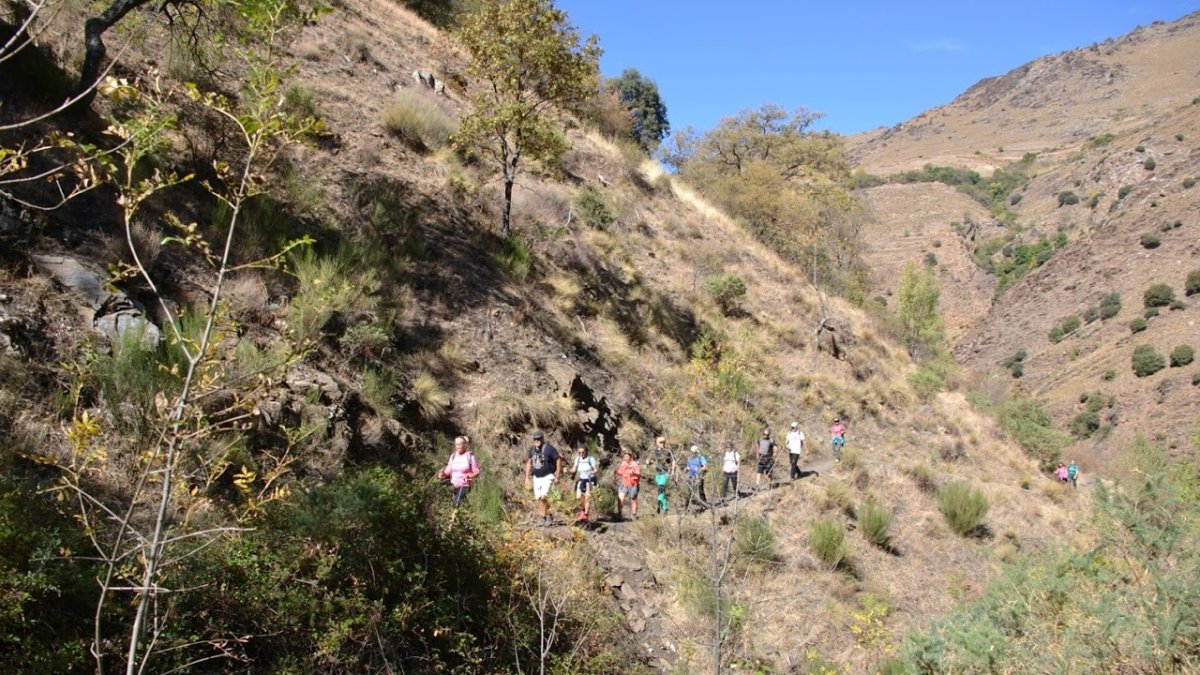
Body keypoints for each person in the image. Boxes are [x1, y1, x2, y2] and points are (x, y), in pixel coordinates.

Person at [524, 430, 562, 527]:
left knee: (544, 497)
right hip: (537, 477)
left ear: (542, 439)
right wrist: (527, 478)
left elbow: (558, 460)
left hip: (548, 476)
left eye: (539, 438)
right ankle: (547, 515)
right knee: (540, 498)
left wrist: (557, 475)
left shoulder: (548, 448)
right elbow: (529, 463)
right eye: (535, 439)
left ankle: (543, 518)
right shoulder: (532, 450)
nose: (537, 440)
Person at [440, 435, 480, 508]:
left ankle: (453, 518)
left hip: (464, 485)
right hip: (453, 485)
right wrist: (443, 474)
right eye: (456, 444)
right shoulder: (453, 456)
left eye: (459, 444)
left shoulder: (470, 457)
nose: (457, 446)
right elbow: (448, 470)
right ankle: (468, 514)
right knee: (461, 505)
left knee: (456, 504)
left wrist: (469, 475)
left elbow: (477, 472)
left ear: (465, 445)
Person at [569, 446, 599, 521]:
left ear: (586, 452)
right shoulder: (578, 459)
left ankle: (585, 514)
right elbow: (574, 470)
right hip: (582, 479)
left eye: (583, 452)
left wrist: (591, 472)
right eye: (579, 452)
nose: (581, 454)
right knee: (579, 497)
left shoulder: (590, 459)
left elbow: (596, 470)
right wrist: (568, 471)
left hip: (590, 479)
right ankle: (583, 510)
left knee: (587, 497)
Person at [615, 450, 642, 520]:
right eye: (624, 457)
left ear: (631, 457)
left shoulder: (635, 464)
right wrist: (616, 472)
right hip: (624, 483)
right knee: (620, 498)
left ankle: (634, 514)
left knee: (633, 499)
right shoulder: (623, 464)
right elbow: (620, 472)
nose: (625, 458)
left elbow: (639, 474)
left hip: (633, 484)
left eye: (627, 457)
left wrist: (634, 473)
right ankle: (619, 514)